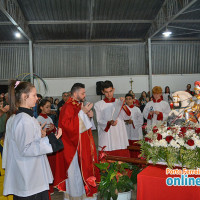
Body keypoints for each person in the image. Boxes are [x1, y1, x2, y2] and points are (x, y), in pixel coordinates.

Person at [3, 80, 63, 200]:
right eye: (34, 95)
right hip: (29, 177)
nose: (37, 98)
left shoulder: (23, 118)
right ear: (25, 97)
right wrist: (51, 140)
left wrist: (39, 136)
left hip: (29, 175)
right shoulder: (24, 120)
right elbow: (26, 148)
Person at [54, 83, 99, 200]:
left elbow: (85, 126)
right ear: (75, 93)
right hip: (72, 148)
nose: (84, 95)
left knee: (80, 173)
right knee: (74, 174)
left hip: (81, 145)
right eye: (82, 93)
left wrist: (89, 115)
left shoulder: (78, 105)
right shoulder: (67, 107)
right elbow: (67, 126)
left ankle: (82, 195)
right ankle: (75, 197)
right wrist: (82, 113)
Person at [94, 80, 131, 157]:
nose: (109, 94)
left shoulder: (119, 102)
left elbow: (127, 116)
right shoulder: (98, 105)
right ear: (103, 92)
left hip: (119, 134)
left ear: (113, 90)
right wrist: (109, 123)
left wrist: (123, 105)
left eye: (110, 91)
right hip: (107, 135)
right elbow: (99, 121)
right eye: (106, 92)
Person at [37, 99, 58, 195]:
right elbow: (38, 135)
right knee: (47, 167)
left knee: (53, 166)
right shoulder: (39, 119)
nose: (49, 109)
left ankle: (53, 184)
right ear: (41, 107)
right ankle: (48, 188)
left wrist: (54, 129)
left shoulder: (49, 118)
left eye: (50, 106)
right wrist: (49, 131)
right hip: (45, 147)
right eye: (47, 107)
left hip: (51, 146)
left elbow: (54, 130)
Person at [124, 93, 143, 158]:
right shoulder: (123, 109)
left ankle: (137, 162)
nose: (128, 101)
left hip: (136, 132)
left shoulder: (137, 109)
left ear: (133, 100)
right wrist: (126, 121)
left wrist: (133, 122)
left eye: (130, 99)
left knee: (136, 149)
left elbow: (141, 121)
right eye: (126, 99)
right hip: (127, 131)